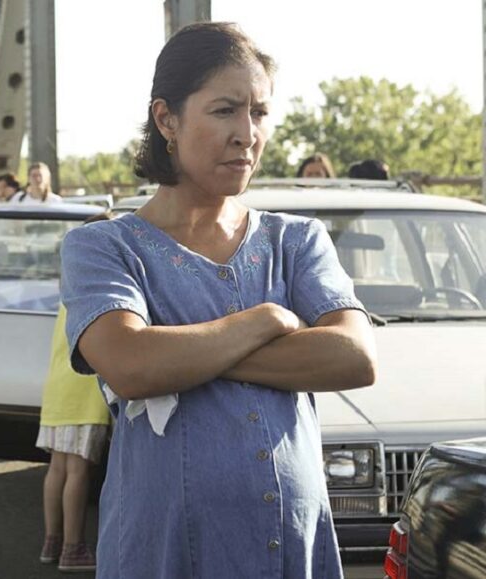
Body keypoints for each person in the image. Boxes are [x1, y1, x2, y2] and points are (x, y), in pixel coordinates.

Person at [60, 23, 377, 578]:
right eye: (225, 110)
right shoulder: (103, 247)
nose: (247, 134)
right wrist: (265, 319)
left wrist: (185, 356)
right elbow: (131, 366)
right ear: (167, 120)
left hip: (289, 547)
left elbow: (354, 356)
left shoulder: (295, 240)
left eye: (259, 112)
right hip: (163, 552)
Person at [36, 304, 111, 573]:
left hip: (56, 391)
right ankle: (73, 547)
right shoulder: (94, 298)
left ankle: (51, 542)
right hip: (83, 392)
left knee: (57, 468)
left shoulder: (66, 299)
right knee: (78, 471)